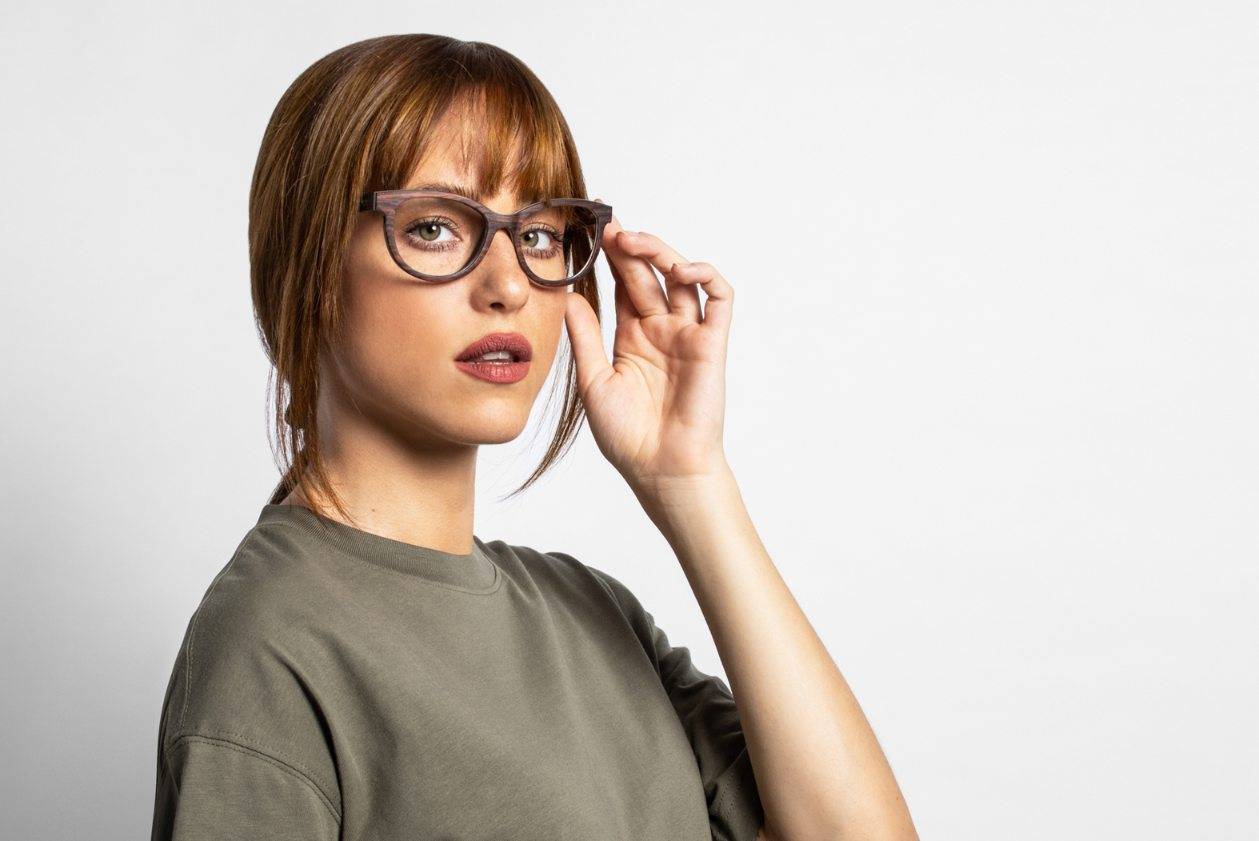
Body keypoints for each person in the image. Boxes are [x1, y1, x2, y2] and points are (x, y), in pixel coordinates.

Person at [150, 34, 919, 841]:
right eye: (435, 227)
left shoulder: (595, 614)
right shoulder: (270, 649)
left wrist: (690, 482)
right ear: (305, 264)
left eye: (540, 234)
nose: (509, 283)